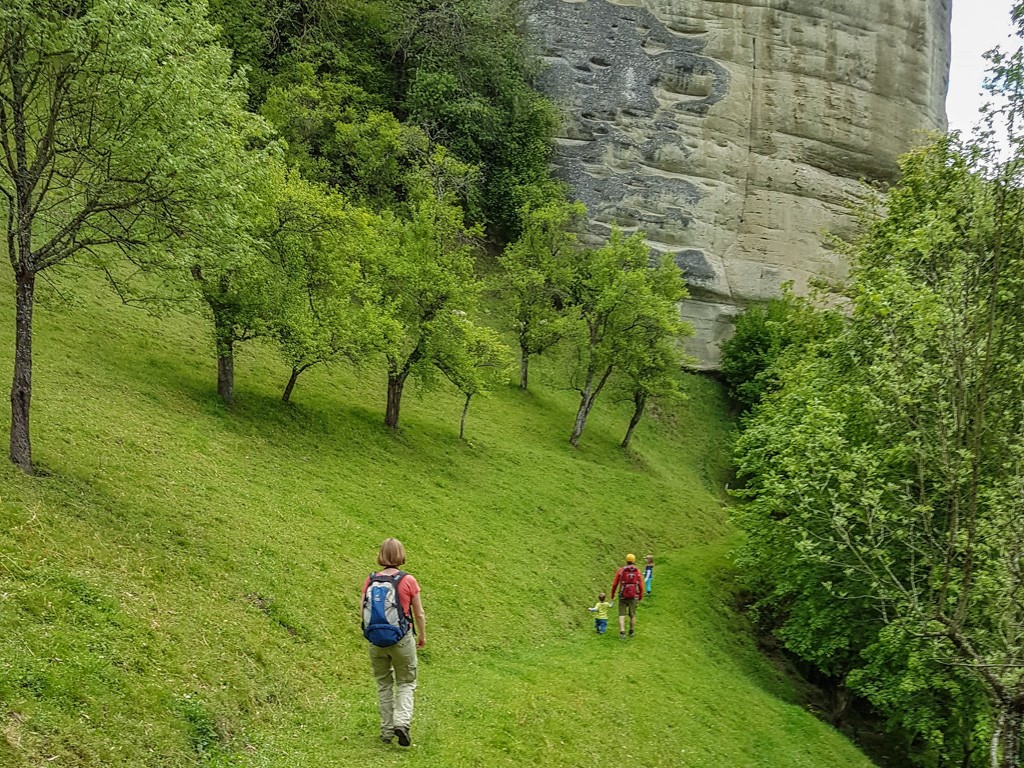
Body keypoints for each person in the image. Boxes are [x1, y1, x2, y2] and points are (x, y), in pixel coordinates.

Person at [361, 538, 426, 747]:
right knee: (406, 682)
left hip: (375, 641)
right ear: (400, 555)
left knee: (384, 683)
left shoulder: (370, 580)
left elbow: (362, 611)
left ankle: (387, 730)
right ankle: (402, 723)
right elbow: (419, 613)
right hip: (402, 639)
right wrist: (422, 636)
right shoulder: (408, 580)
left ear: (381, 555)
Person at [609, 553, 644, 638]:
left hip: (622, 595)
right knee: (632, 615)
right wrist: (640, 596)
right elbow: (641, 585)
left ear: (626, 560)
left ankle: (622, 632)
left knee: (622, 614)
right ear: (634, 561)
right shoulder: (637, 571)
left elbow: (614, 584)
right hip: (633, 595)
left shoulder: (621, 570)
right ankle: (631, 631)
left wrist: (612, 595)